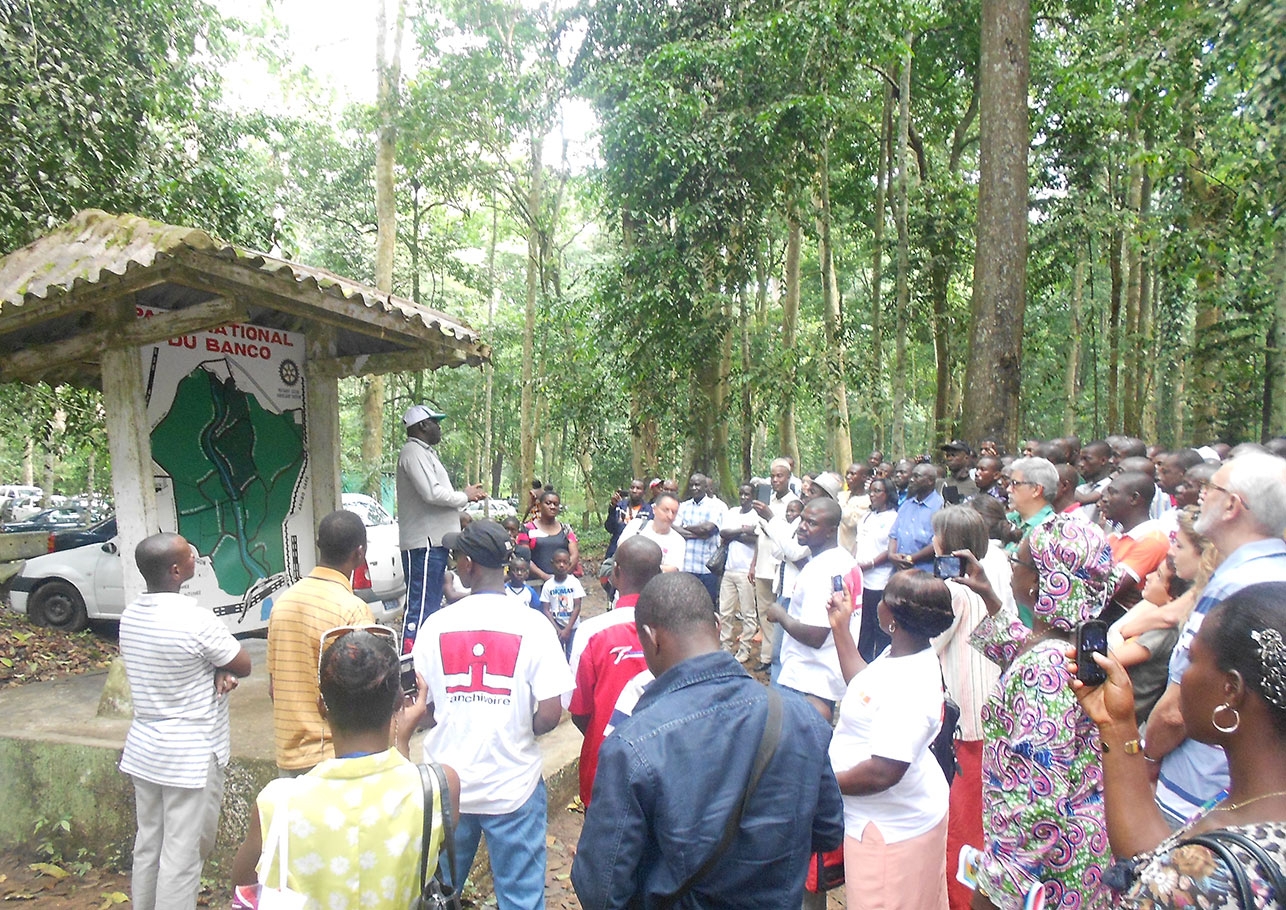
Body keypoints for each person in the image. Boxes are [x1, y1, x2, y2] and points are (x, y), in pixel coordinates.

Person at [571, 573, 844, 909]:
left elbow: (600, 890)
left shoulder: (632, 746)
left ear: (651, 638)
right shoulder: (803, 720)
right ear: (717, 624)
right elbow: (828, 831)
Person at [1073, 583, 1286, 908]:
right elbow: (1152, 857)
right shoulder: (1253, 805)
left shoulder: (1205, 883)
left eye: (1191, 658)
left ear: (1231, 690)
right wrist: (1117, 724)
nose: (1182, 675)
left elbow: (1173, 876)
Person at [231, 627, 460, 908]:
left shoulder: (277, 804)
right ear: (400, 701)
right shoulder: (440, 787)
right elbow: (419, 842)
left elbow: (243, 889)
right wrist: (401, 740)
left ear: (321, 706)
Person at [411, 520, 574, 908]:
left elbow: (425, 706)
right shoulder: (534, 625)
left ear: (468, 565)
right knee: (521, 898)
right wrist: (517, 727)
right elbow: (551, 712)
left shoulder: (436, 626)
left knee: (437, 895)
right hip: (513, 785)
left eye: (456, 557)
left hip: (448, 787)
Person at [960, 515, 1114, 909]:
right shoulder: (1067, 645)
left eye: (1019, 560)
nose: (1012, 567)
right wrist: (991, 599)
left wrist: (995, 892)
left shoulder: (1045, 672)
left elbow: (1036, 800)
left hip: (1047, 870)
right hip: (1075, 847)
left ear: (1040, 580)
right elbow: (1025, 649)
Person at [1142, 452, 1286, 840]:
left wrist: (1147, 757)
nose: (1201, 495)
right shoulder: (1272, 570)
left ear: (1232, 506)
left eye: (1210, 488)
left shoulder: (1236, 587)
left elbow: (1176, 711)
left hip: (1201, 791)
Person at [118, 533, 252, 910]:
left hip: (145, 748)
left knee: (149, 844)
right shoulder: (195, 620)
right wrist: (221, 667)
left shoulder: (130, 616)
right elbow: (243, 662)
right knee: (183, 854)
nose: (196, 555)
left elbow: (185, 662)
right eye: (189, 554)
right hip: (190, 754)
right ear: (176, 572)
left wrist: (216, 668)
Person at [826, 570, 956, 910]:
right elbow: (865, 687)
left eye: (883, 598)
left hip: (889, 834)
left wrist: (820, 783)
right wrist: (840, 627)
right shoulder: (904, 654)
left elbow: (883, 772)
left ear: (892, 616)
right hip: (897, 816)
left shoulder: (909, 685)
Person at [927, 506, 1002, 910]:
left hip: (966, 719)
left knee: (962, 817)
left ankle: (960, 897)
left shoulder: (953, 593)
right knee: (978, 813)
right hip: (988, 709)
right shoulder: (990, 577)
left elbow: (927, 644)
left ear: (946, 544)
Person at [267, 509, 374, 776]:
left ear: (319, 546)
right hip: (334, 758)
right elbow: (364, 696)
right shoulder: (352, 610)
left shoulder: (282, 604)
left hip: (288, 757)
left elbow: (274, 688)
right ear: (359, 553)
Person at [566, 535, 664, 805]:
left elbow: (579, 710)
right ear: (658, 575)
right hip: (665, 765)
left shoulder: (591, 632)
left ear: (616, 573)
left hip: (604, 766)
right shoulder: (677, 629)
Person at [397, 404, 485, 653]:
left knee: (431, 605)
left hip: (434, 543)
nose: (439, 428)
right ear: (423, 426)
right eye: (435, 422)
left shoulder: (425, 453)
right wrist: (464, 496)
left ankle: (425, 660)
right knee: (420, 606)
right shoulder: (413, 452)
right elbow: (432, 493)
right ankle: (409, 661)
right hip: (423, 544)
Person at [769, 497, 858, 721]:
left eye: (812, 523)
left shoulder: (820, 571)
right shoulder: (845, 560)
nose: (802, 526)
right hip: (828, 672)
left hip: (808, 677)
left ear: (831, 531)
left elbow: (816, 635)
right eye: (802, 520)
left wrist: (780, 614)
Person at [855, 477, 899, 661]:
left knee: (879, 626)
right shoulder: (867, 516)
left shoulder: (893, 518)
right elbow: (858, 543)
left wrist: (871, 564)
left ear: (887, 494)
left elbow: (890, 550)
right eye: (871, 491)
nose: (872, 495)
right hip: (861, 579)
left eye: (877, 491)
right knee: (863, 626)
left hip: (879, 580)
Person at [718, 483, 761, 663]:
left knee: (748, 613)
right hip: (729, 568)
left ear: (753, 496)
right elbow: (724, 532)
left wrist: (735, 535)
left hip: (746, 571)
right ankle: (725, 647)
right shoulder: (732, 512)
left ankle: (745, 648)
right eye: (741, 494)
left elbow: (757, 539)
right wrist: (743, 530)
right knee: (725, 611)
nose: (743, 497)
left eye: (747, 494)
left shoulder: (757, 515)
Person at [674, 472, 727, 602]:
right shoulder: (683, 506)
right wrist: (698, 533)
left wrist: (685, 527)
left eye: (697, 485)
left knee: (707, 603)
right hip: (687, 566)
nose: (694, 488)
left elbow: (708, 528)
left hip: (707, 568)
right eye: (691, 485)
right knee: (685, 603)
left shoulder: (715, 506)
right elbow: (674, 528)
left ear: (705, 487)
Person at [889, 463, 943, 573]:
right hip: (898, 570)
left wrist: (910, 558)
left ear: (930, 481)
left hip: (923, 572)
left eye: (916, 476)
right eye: (912, 476)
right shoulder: (906, 505)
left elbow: (939, 542)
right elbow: (893, 535)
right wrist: (891, 555)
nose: (911, 480)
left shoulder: (940, 507)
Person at [601, 478, 652, 592]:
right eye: (632, 487)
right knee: (612, 585)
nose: (634, 490)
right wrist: (612, 508)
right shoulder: (620, 505)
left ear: (644, 492)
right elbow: (609, 528)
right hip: (615, 552)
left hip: (637, 555)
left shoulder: (648, 510)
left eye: (638, 488)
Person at [617, 490, 686, 571]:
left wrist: (643, 568)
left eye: (674, 512)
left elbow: (672, 568)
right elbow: (621, 549)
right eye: (666, 510)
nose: (670, 516)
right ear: (654, 509)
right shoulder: (635, 525)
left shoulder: (678, 541)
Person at [524, 489, 581, 583]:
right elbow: (524, 557)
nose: (552, 507)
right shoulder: (527, 529)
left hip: (563, 583)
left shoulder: (566, 529)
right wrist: (545, 577)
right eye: (548, 503)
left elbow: (574, 555)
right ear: (539, 505)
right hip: (535, 583)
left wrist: (561, 576)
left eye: (556, 504)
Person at [540, 548, 585, 658]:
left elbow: (577, 606)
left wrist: (568, 629)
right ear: (552, 563)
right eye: (558, 562)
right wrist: (557, 629)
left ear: (569, 564)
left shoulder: (574, 582)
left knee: (572, 656)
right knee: (556, 657)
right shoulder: (548, 585)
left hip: (572, 627)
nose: (561, 565)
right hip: (556, 627)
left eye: (565, 562)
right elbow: (545, 609)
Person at [838, 462, 871, 554]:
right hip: (838, 548)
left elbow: (852, 521)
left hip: (853, 551)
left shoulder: (868, 501)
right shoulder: (842, 495)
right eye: (847, 473)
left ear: (864, 478)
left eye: (853, 474)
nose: (848, 477)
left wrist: (838, 507)